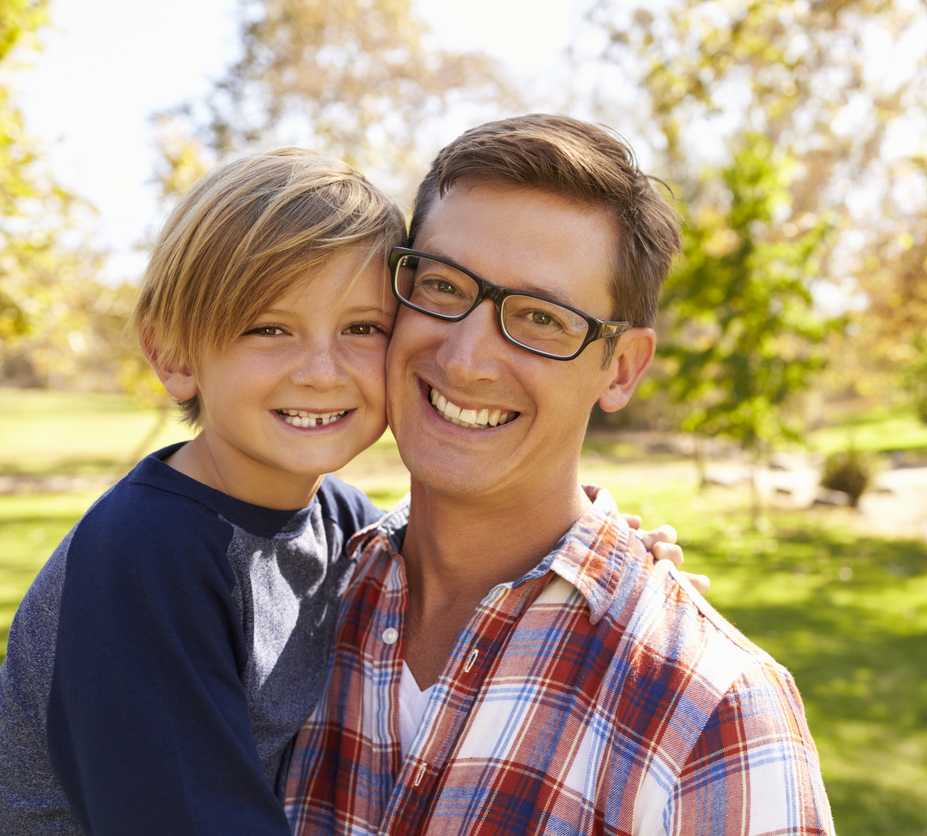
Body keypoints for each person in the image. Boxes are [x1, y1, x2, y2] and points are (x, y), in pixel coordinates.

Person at [0, 147, 683, 835]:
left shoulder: (336, 524)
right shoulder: (147, 554)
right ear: (174, 354)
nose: (322, 372)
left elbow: (429, 540)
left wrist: (613, 551)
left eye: (362, 329)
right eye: (270, 328)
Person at [284, 115, 834, 834]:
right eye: (444, 286)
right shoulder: (292, 604)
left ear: (623, 367)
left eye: (541, 318)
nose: (466, 359)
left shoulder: (713, 713)